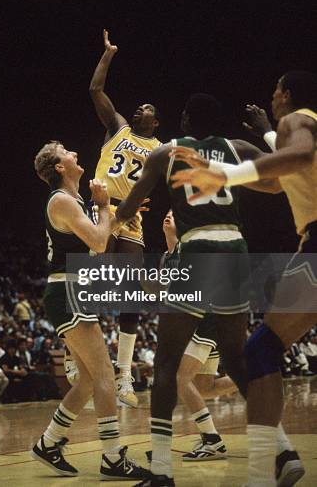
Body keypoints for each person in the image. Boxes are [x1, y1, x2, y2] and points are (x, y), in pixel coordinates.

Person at [113, 93, 294, 487]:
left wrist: (111, 215)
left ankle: (161, 470)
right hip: (235, 248)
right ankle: (282, 450)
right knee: (237, 358)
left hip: (197, 249)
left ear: (189, 121)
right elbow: (278, 186)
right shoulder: (237, 146)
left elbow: (129, 207)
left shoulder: (168, 152)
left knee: (165, 365)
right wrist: (266, 130)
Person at [170, 71, 317, 487]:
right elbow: (275, 183)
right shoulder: (297, 127)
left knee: (261, 351)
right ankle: (275, 462)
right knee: (260, 350)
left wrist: (223, 176)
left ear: (287, 94)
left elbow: (301, 155)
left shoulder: (297, 122)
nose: (271, 98)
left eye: (274, 91)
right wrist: (220, 165)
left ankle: (261, 475)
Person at [32, 140, 148, 480]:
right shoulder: (63, 201)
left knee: (86, 381)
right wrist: (104, 208)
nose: (75, 153)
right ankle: (112, 458)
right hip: (69, 289)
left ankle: (49, 442)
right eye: (67, 151)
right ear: (59, 167)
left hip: (70, 290)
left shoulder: (72, 202)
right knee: (105, 376)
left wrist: (121, 211)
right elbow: (99, 242)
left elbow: (99, 237)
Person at [90, 29, 161, 407]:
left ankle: (124, 377)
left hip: (131, 214)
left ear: (157, 121)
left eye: (146, 108)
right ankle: (75, 355)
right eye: (137, 107)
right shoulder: (117, 127)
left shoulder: (160, 149)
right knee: (90, 279)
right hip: (101, 205)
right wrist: (109, 55)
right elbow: (96, 92)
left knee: (131, 292)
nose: (138, 110)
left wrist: (143, 197)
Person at [162, 210, 237, 462]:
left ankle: (212, 440)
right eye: (168, 213)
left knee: (179, 379)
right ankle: (253, 375)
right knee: (204, 387)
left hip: (205, 317)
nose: (169, 216)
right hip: (199, 320)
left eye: (174, 214)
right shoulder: (169, 256)